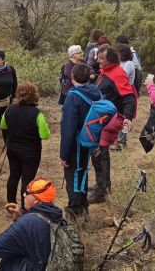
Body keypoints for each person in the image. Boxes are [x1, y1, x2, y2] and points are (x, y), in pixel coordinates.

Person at [0, 178, 62, 270]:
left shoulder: (26, 223)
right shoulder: (56, 216)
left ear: (36, 200)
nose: (23, 194)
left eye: (27, 193)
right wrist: (21, 216)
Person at [89, 45, 136, 204]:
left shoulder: (117, 73)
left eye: (102, 58)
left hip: (110, 120)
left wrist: (128, 118)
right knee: (99, 153)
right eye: (98, 57)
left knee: (99, 153)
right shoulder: (106, 72)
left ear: (111, 59)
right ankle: (103, 185)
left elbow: (129, 97)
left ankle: (101, 191)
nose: (98, 61)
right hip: (101, 119)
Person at [0, 82, 51, 208]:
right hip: (31, 152)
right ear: (35, 96)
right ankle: (24, 207)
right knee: (27, 180)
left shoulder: (9, 109)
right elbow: (45, 136)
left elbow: (3, 126)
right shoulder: (37, 114)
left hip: (13, 149)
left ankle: (11, 205)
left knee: (13, 176)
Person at [60, 64, 100, 217]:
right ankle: (83, 205)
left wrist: (64, 154)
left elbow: (68, 128)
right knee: (82, 170)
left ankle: (75, 209)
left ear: (72, 77)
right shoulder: (95, 92)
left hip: (76, 143)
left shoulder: (73, 96)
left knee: (73, 174)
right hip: (89, 139)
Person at [112, 43, 136, 151]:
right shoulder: (120, 64)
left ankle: (121, 142)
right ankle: (116, 140)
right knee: (117, 115)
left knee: (124, 115)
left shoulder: (129, 64)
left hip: (126, 91)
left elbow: (122, 75)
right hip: (117, 92)